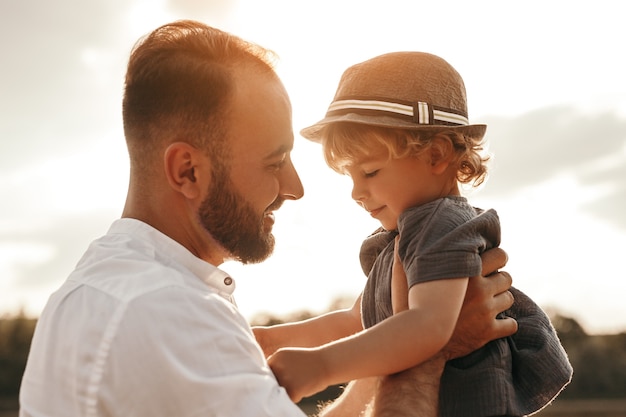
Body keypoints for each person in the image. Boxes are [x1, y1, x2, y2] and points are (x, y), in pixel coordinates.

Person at [19, 21, 516, 417]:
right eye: (273, 161)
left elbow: (363, 326)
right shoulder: (163, 314)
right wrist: (432, 350)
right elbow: (371, 324)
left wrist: (372, 347)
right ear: (187, 171)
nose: (296, 188)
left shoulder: (110, 289)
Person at [259, 52, 572, 416]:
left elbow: (428, 326)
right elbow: (353, 322)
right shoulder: (405, 237)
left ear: (436, 154)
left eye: (371, 172)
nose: (356, 192)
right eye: (350, 176)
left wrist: (321, 367)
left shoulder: (441, 226)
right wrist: (268, 339)